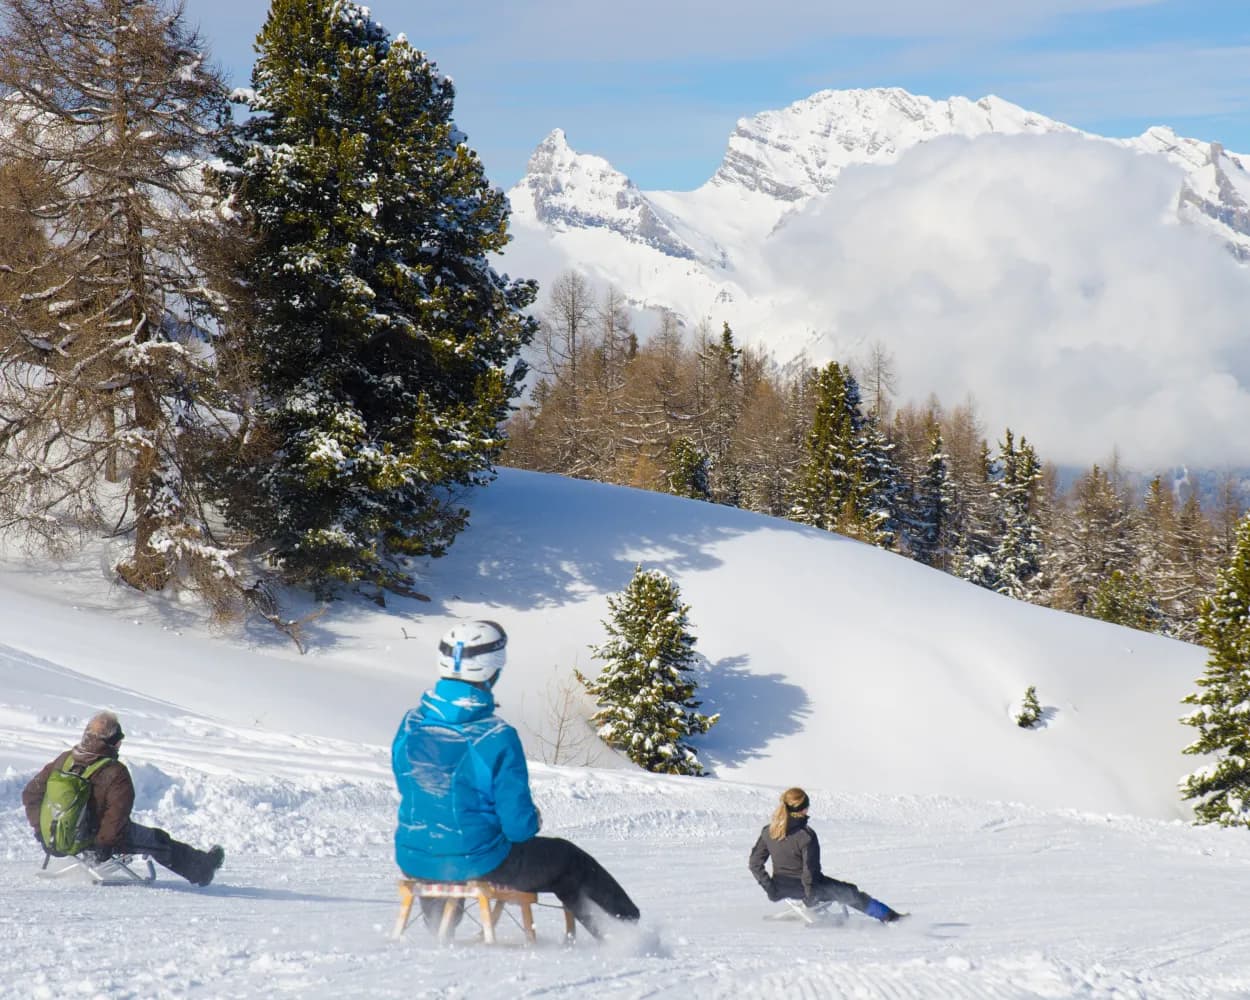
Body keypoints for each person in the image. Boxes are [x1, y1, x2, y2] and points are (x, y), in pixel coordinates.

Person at [391, 620, 640, 938]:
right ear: (492, 669)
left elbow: (414, 787)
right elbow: (518, 827)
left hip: (414, 857)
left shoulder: (410, 724)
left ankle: (441, 931)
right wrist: (531, 819)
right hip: (481, 861)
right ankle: (626, 933)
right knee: (567, 860)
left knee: (444, 850)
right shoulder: (495, 736)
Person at [22, 711, 225, 886]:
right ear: (110, 742)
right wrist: (103, 846)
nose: (120, 744)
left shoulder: (64, 759)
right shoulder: (115, 772)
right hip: (96, 840)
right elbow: (117, 816)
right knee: (157, 840)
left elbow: (31, 793)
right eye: (118, 739)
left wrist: (42, 831)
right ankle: (203, 869)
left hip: (58, 837)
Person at [749, 786, 904, 922]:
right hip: (808, 890)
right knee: (850, 892)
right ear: (803, 809)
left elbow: (754, 863)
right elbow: (810, 871)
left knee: (840, 888)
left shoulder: (769, 831)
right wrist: (810, 896)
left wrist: (770, 888)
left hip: (780, 888)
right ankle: (891, 917)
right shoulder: (806, 835)